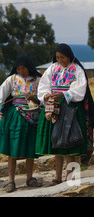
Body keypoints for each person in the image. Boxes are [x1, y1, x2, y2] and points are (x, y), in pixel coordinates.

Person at [36, 44, 94, 185]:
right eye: (57, 57)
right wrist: (45, 96)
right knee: (57, 144)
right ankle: (57, 176)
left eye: (62, 57)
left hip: (72, 109)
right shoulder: (52, 68)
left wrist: (64, 94)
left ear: (69, 55)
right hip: (55, 108)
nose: (60, 60)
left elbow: (81, 89)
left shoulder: (77, 70)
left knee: (71, 146)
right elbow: (44, 84)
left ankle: (70, 177)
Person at [0, 56, 43, 192]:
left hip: (32, 117)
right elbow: (1, 94)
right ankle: (11, 181)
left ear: (29, 67)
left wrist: (34, 98)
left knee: (30, 148)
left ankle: (30, 178)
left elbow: (43, 98)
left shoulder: (38, 80)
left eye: (23, 68)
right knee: (12, 149)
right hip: (15, 117)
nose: (20, 71)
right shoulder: (12, 79)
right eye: (18, 68)